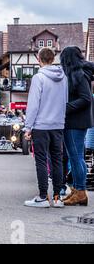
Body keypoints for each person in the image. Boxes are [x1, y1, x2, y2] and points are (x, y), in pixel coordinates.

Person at [24, 48, 68, 208]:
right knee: (57, 160)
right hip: (58, 125)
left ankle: (43, 197)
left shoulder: (38, 78)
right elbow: (65, 101)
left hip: (41, 125)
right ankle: (57, 198)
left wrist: (28, 127)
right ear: (53, 58)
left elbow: (33, 105)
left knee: (41, 161)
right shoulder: (64, 78)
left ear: (38, 59)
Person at [60, 46, 94, 207]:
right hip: (75, 121)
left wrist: (65, 108)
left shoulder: (79, 75)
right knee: (75, 157)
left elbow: (86, 98)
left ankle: (80, 191)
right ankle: (76, 190)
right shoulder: (78, 73)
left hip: (76, 122)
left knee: (76, 157)